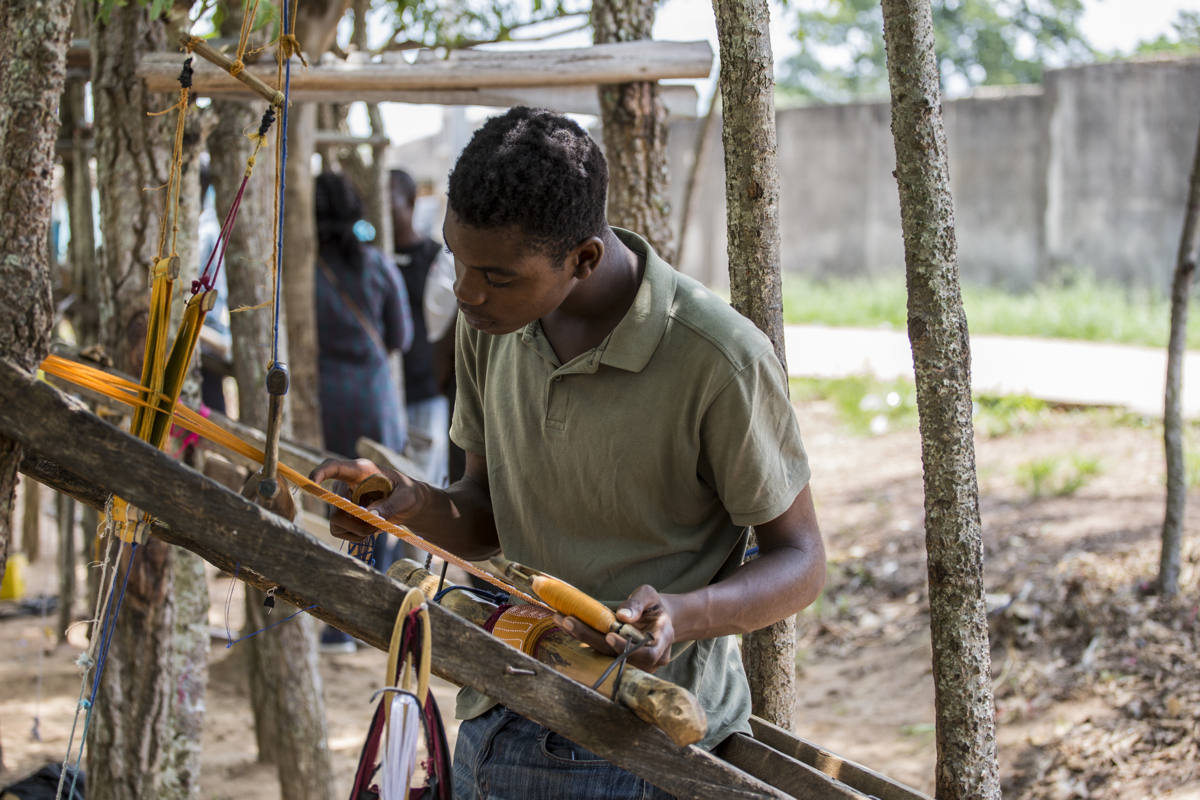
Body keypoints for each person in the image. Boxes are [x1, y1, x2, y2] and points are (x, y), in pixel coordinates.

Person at [312, 107, 826, 798]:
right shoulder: (492, 326)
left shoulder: (717, 360)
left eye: (494, 274)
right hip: (500, 705)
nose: (464, 293)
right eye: (457, 262)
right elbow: (485, 515)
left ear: (582, 259)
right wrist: (408, 504)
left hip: (642, 737)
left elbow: (801, 559)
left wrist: (685, 613)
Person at [314, 171, 413, 651]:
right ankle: (365, 616)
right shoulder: (377, 265)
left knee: (331, 508)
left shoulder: (301, 272)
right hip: (375, 399)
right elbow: (401, 337)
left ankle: (337, 622)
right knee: (378, 501)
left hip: (324, 403)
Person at [389, 168, 456, 488]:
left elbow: (446, 326)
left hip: (425, 388)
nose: (386, 209)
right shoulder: (375, 258)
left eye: (393, 201)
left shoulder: (434, 258)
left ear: (411, 203)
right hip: (387, 390)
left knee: (424, 481)